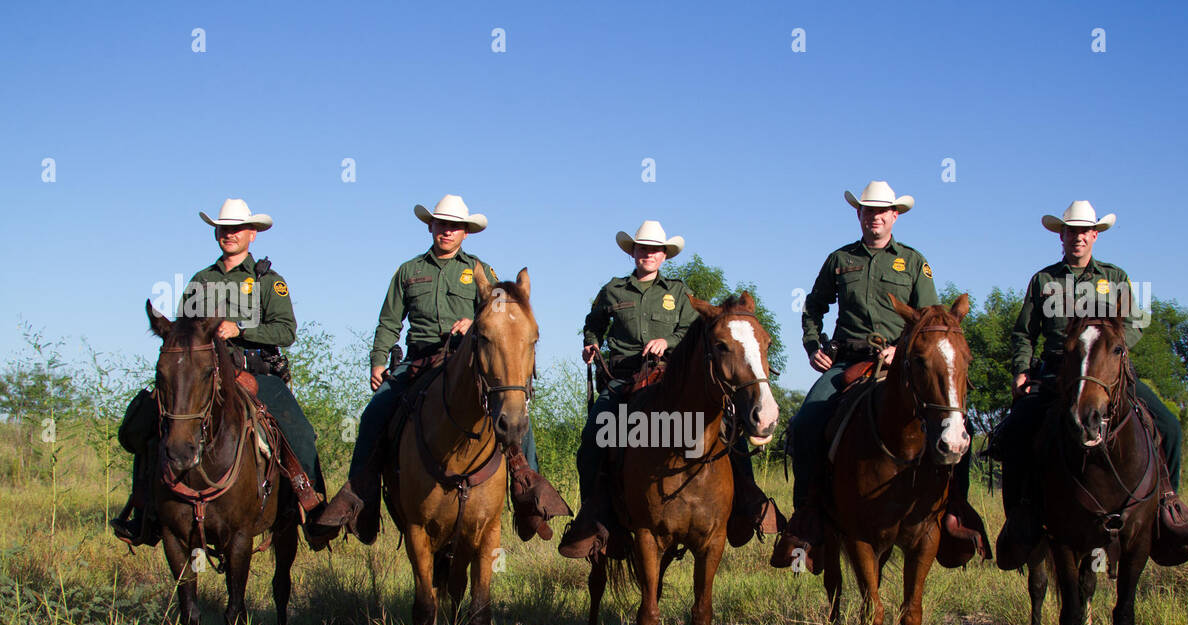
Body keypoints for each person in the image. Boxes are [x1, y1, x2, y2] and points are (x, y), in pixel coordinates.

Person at [311, 194, 564, 544]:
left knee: (517, 414)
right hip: (419, 361)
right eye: (442, 224)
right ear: (431, 226)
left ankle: (526, 492)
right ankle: (361, 499)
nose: (448, 231)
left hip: (466, 363)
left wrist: (474, 320)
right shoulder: (409, 271)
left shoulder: (479, 271)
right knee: (374, 414)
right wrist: (378, 361)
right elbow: (389, 321)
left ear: (465, 233)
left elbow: (502, 320)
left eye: (455, 226)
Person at [770, 182, 988, 572]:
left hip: (903, 363)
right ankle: (808, 517)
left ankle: (955, 511)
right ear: (859, 215)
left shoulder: (914, 261)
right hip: (848, 362)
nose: (875, 216)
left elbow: (931, 319)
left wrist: (901, 349)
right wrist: (812, 343)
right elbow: (813, 307)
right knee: (805, 425)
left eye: (882, 210)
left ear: (895, 215)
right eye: (868, 210)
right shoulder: (840, 259)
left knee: (959, 429)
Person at [557, 220, 782, 559]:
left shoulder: (678, 292)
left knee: (727, 426)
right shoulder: (613, 290)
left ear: (664, 255)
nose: (648, 253)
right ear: (633, 251)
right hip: (624, 378)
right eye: (642, 247)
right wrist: (591, 343)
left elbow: (696, 334)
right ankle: (595, 517)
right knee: (596, 436)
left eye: (654, 249)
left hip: (670, 375)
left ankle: (748, 498)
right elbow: (594, 322)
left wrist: (669, 340)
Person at [112, 198, 327, 547]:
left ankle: (311, 509)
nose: (229, 234)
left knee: (298, 430)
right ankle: (144, 512)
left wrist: (240, 329)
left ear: (252, 235)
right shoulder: (201, 279)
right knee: (148, 423)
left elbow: (286, 331)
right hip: (199, 374)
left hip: (253, 371)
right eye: (223, 228)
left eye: (236, 229)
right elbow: (182, 332)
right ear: (216, 233)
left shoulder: (269, 281)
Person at [994, 200, 1185, 570]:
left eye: (1084, 231)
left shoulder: (1115, 278)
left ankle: (1166, 507)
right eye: (1071, 231)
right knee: (1015, 432)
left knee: (1170, 427)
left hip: (1106, 376)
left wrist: (1110, 346)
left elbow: (1138, 322)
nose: (1077, 237)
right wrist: (1021, 370)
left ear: (1095, 235)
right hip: (1053, 374)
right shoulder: (1044, 280)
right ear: (1061, 236)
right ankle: (1021, 517)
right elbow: (1023, 333)